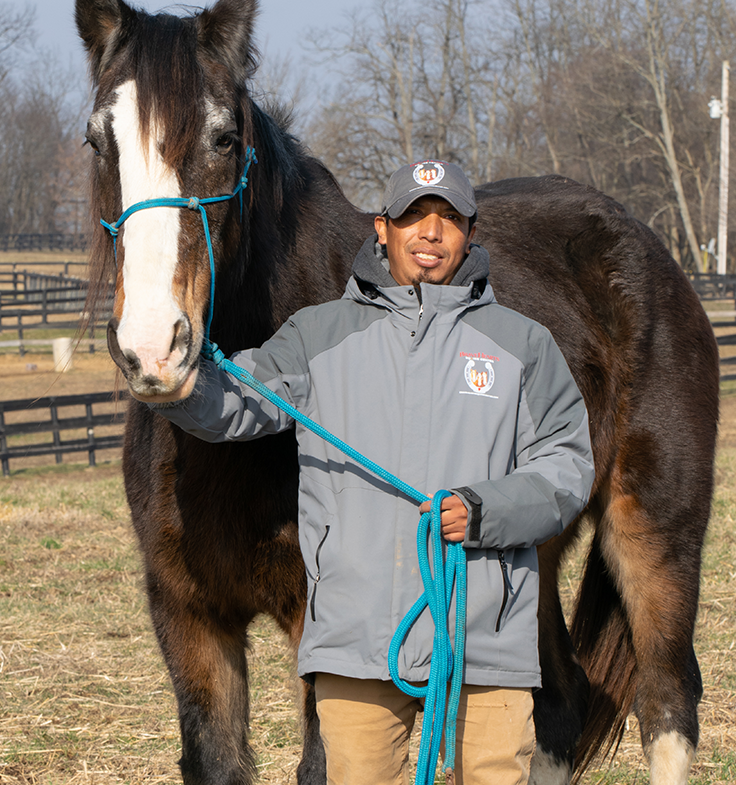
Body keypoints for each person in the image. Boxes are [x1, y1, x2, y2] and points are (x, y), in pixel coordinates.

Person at [147, 159, 594, 785]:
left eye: (449, 219)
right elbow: (237, 403)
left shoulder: (523, 345)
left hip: (483, 641)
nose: (431, 233)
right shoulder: (318, 336)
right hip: (358, 643)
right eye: (414, 216)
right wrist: (172, 379)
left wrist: (488, 510)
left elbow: (568, 465)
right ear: (382, 229)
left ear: (470, 234)